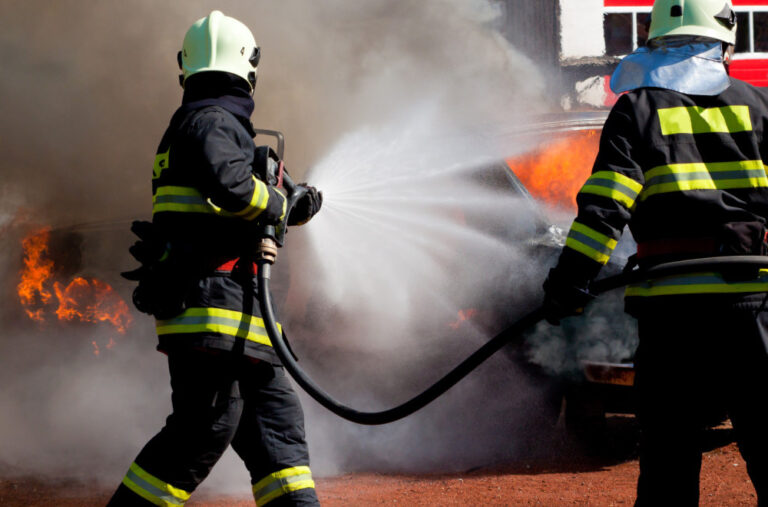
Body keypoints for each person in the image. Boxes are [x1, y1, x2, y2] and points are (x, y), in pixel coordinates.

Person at [542, 0, 768, 504]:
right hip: (755, 307)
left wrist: (568, 285)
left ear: (654, 43)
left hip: (673, 319)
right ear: (724, 43)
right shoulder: (759, 105)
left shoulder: (636, 110)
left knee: (669, 463)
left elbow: (605, 209)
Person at [108, 10, 322, 506]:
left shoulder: (209, 125)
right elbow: (231, 186)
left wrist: (293, 199)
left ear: (186, 68)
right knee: (202, 431)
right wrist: (279, 202)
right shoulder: (210, 122)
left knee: (278, 434)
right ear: (249, 68)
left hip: (238, 317)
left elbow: (233, 192)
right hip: (212, 312)